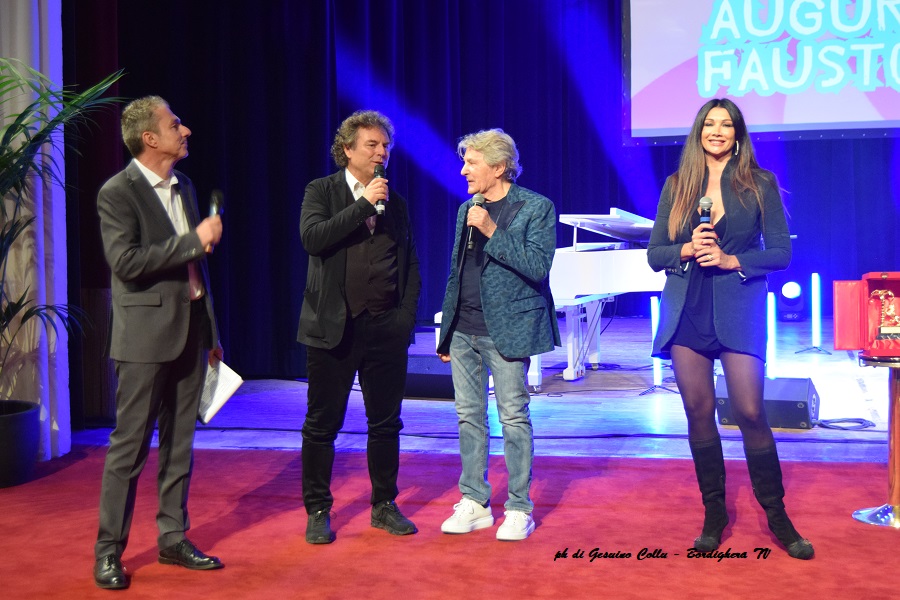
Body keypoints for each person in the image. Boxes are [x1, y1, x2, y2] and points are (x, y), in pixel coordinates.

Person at [647, 98, 814, 559]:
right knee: (698, 411)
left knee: (750, 411)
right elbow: (655, 253)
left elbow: (781, 253)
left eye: (726, 124)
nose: (716, 131)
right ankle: (714, 514)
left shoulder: (760, 183)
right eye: (709, 123)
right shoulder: (678, 185)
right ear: (698, 132)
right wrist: (686, 248)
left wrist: (730, 259)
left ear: (737, 135)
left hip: (739, 306)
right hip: (687, 308)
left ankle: (777, 515)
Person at [93, 96, 225, 590]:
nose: (185, 130)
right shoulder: (117, 192)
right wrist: (194, 238)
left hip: (191, 330)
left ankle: (173, 537)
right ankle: (109, 551)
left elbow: (195, 271)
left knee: (179, 445)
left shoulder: (183, 185)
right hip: (144, 338)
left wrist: (211, 333)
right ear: (149, 138)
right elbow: (125, 262)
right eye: (175, 124)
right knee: (129, 449)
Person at [297, 110, 421, 544]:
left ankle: (384, 504)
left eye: (386, 145)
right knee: (322, 423)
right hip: (333, 328)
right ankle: (318, 509)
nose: (382, 152)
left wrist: (404, 319)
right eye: (372, 144)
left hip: (385, 328)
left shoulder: (396, 202)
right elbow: (313, 238)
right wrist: (363, 205)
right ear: (348, 149)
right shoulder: (321, 191)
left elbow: (410, 264)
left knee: (386, 423)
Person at [436, 129, 560, 541]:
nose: (463, 170)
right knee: (468, 417)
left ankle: (520, 507)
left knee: (513, 417)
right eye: (465, 162)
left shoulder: (537, 207)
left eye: (472, 163)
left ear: (500, 167)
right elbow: (456, 273)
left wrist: (492, 229)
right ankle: (474, 501)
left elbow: (537, 267)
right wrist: (446, 331)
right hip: (464, 331)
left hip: (507, 330)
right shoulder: (466, 209)